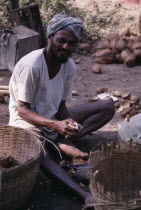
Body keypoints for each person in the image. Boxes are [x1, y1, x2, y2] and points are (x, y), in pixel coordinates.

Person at [9, 12, 115, 202]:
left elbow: (61, 106)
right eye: (61, 40)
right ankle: (85, 196)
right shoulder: (32, 65)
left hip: (52, 120)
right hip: (26, 123)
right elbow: (22, 110)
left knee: (107, 107)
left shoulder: (69, 66)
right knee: (39, 156)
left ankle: (60, 141)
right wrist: (55, 124)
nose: (66, 47)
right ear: (50, 38)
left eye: (71, 43)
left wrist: (69, 122)